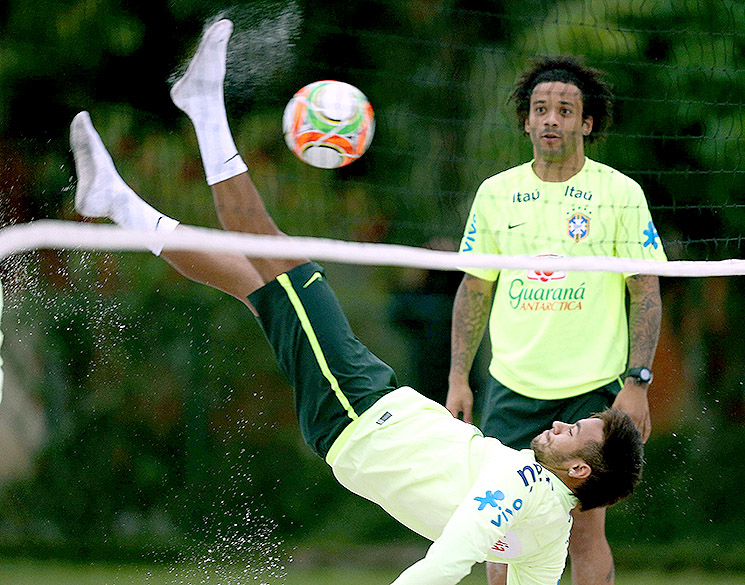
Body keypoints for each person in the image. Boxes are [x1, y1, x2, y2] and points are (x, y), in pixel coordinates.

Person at [69, 22, 644, 585]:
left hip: (360, 416)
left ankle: (204, 110)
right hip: (378, 406)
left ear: (577, 469)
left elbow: (443, 564)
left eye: (576, 430)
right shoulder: (547, 530)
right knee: (259, 286)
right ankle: (115, 200)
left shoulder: (522, 488)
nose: (564, 421)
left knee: (280, 258)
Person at [446, 56, 665, 585]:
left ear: (586, 123)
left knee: (584, 530)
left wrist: (637, 383)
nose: (551, 119)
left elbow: (646, 292)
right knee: (505, 527)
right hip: (512, 388)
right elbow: (474, 288)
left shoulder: (620, 194)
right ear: (526, 121)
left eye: (565, 110)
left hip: (592, 387)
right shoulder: (496, 193)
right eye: (540, 109)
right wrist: (458, 378)